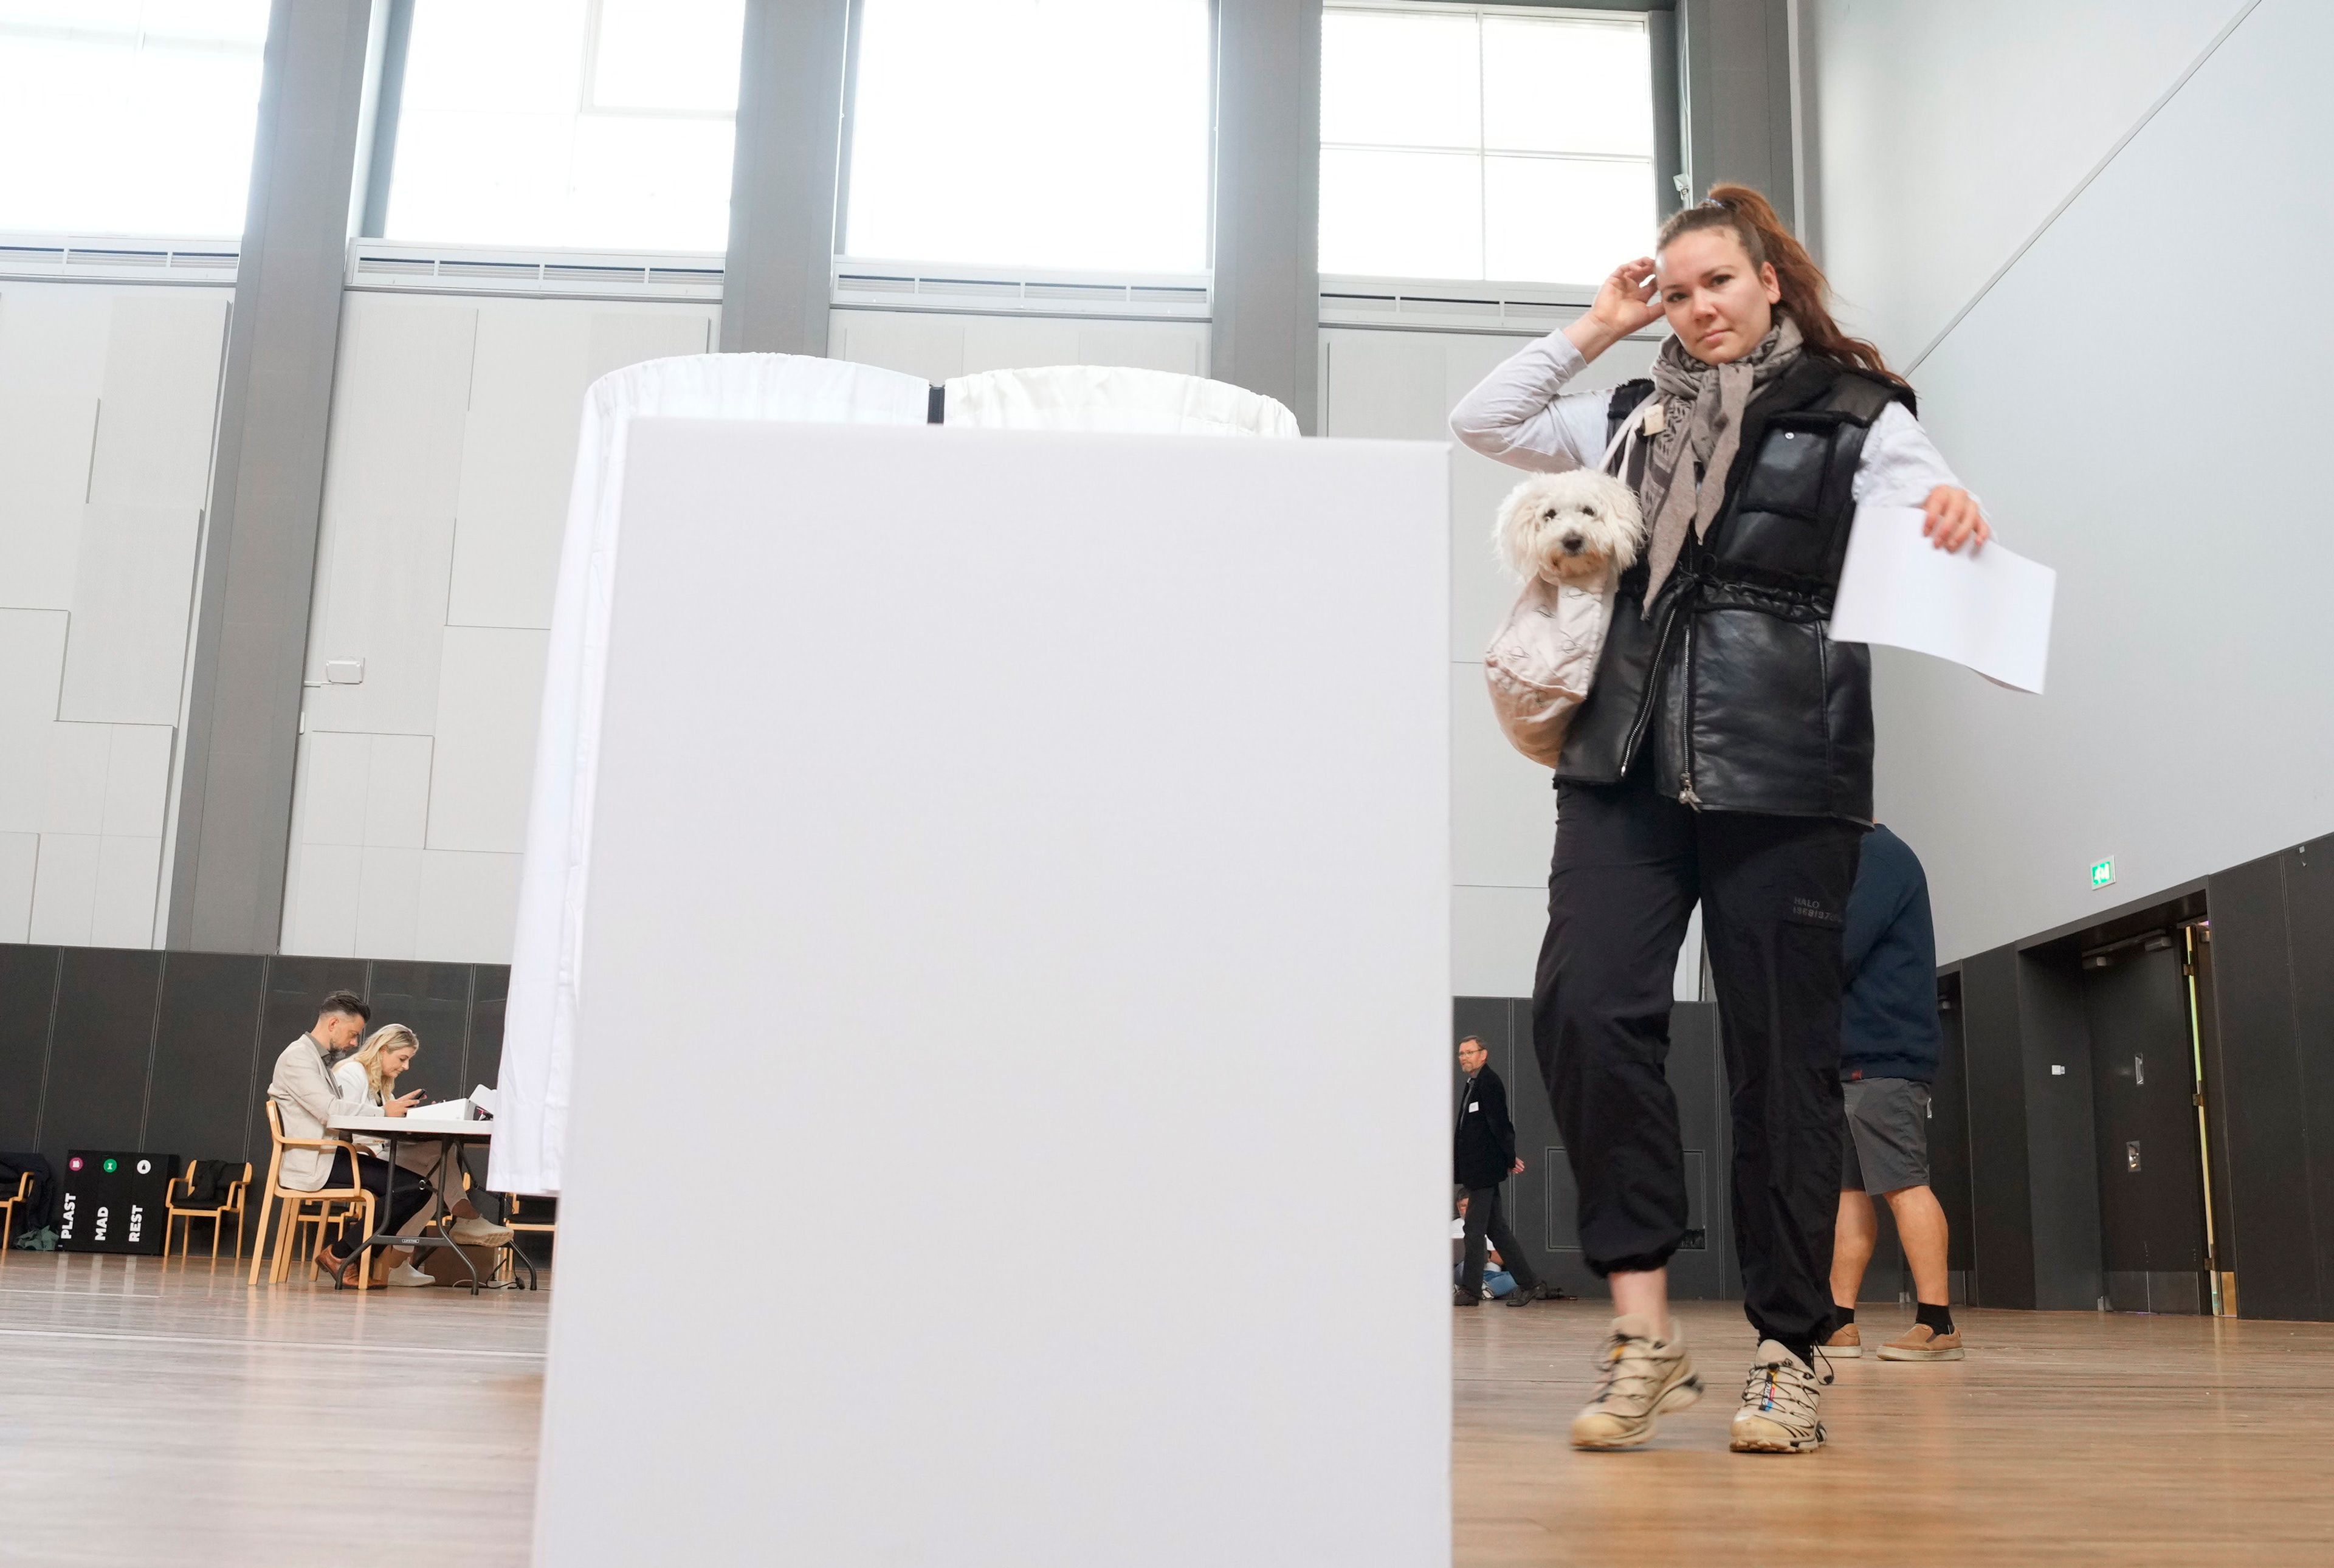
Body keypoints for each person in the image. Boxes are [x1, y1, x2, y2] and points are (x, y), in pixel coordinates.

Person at [1450, 184, 1989, 1454]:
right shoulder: (1625, 412)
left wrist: (1958, 516)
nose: (1696, 311)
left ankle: (1790, 1353)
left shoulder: (1861, 413)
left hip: (1788, 762)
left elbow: (1938, 510)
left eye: (1718, 286)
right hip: (1618, 755)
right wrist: (1593, 327)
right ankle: (1645, 1336)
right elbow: (1482, 420)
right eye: (1676, 291)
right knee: (1583, 1010)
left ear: (1772, 283)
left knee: (1784, 1063)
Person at [1822, 825, 1963, 1360]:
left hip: (1886, 1054)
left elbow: (1840, 948)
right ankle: (1840, 1320)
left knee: (1904, 1183)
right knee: (1848, 1193)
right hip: (1850, 1056)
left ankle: (1938, 1322)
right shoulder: (1854, 858)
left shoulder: (1880, 857)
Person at [266, 991, 430, 1288]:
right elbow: (330, 1112)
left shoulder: (316, 1059)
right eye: (353, 1034)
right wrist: (383, 1114)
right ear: (332, 1024)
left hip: (332, 1155)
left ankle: (350, 1257)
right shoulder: (297, 1058)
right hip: (316, 1160)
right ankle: (343, 1256)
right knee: (413, 1187)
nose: (355, 1043)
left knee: (417, 1187)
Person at [334, 1024, 514, 1287]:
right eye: (402, 1059)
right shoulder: (352, 1073)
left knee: (434, 1171)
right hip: (362, 1158)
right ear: (383, 1050)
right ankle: (464, 1218)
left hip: (378, 1153)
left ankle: (400, 1262)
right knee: (437, 1156)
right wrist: (391, 1113)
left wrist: (404, 1113)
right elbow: (354, 1126)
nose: (406, 1067)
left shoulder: (380, 1083)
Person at [1453, 1035, 1556, 1308]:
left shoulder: (1489, 1082)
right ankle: (1531, 1284)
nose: (1464, 1057)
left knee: (1474, 1230)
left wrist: (1508, 1158)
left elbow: (1501, 1125)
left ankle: (1470, 1291)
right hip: (1477, 1170)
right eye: (1461, 1053)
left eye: (1470, 1052)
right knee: (1496, 1231)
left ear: (1483, 1054)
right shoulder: (1473, 1083)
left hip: (1485, 1171)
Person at [1453, 1192, 1519, 1300]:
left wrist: (1486, 1255)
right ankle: (1483, 1290)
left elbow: (1502, 1259)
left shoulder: (1491, 1226)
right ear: (1458, 1207)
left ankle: (1472, 1290)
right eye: (1464, 1206)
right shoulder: (1451, 1227)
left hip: (1489, 1273)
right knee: (1467, 1265)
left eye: (1470, 1205)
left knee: (1516, 1278)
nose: (1468, 1210)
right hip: (1463, 1270)